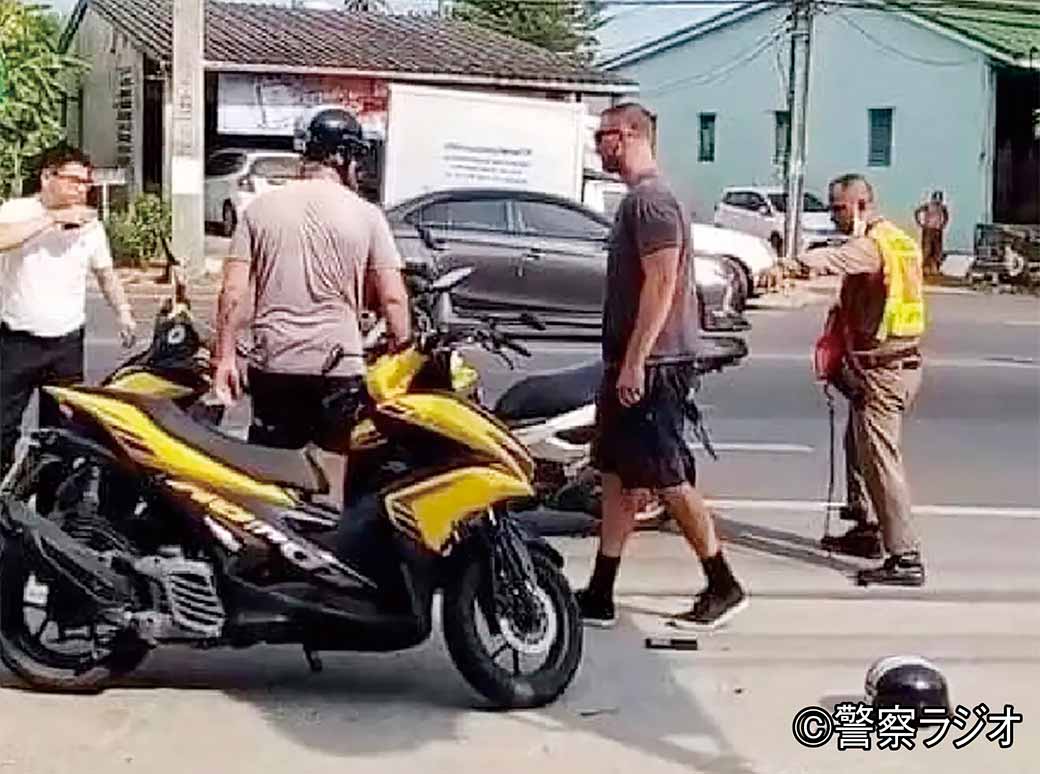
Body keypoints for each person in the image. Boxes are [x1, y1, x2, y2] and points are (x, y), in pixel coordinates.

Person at [575, 103, 748, 629]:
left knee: (666, 477)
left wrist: (636, 361)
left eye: (603, 136)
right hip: (633, 361)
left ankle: (723, 584)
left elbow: (663, 281)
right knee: (616, 476)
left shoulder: (652, 201)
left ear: (628, 134)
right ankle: (600, 592)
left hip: (655, 364)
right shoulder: (639, 200)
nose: (598, 146)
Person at [212, 105, 410, 457]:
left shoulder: (259, 210)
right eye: (356, 157)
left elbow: (233, 292)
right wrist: (402, 354)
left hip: (274, 364)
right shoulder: (368, 215)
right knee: (334, 467)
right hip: (339, 366)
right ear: (341, 157)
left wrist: (225, 357)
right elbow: (393, 299)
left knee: (272, 468)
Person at [791, 174, 927, 587]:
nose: (834, 216)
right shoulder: (898, 240)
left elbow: (839, 259)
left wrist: (793, 264)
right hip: (883, 366)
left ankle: (905, 556)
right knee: (857, 446)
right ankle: (866, 529)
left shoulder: (872, 245)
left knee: (880, 461)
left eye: (839, 208)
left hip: (885, 372)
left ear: (861, 205)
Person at [0, 143, 136, 477]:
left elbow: (105, 274)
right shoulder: (18, 211)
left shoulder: (90, 225)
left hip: (66, 345)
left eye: (86, 183)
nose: (81, 189)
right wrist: (53, 219)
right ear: (48, 177)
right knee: (3, 429)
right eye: (74, 181)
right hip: (16, 341)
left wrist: (123, 312)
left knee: (62, 435)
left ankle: (51, 501)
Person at [914, 191, 949, 276]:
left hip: (937, 230)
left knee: (937, 250)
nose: (938, 201)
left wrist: (942, 225)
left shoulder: (942, 207)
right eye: (936, 199)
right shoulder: (928, 206)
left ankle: (934, 268)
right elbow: (917, 212)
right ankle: (924, 268)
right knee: (927, 250)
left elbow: (946, 217)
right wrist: (920, 223)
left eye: (940, 199)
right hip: (928, 230)